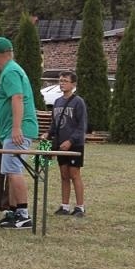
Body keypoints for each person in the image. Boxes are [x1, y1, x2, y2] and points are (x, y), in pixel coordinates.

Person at [0, 36, 39, 229]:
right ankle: (12, 211)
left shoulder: (10, 71)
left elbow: (17, 98)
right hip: (11, 130)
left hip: (17, 130)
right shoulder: (12, 70)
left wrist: (16, 127)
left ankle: (23, 214)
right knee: (10, 170)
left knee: (14, 170)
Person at [50, 69, 88, 217]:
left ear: (73, 84)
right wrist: (48, 134)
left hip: (75, 144)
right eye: (60, 81)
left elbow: (82, 126)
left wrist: (71, 140)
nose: (62, 84)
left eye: (65, 81)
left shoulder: (78, 102)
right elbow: (54, 124)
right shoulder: (57, 102)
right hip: (60, 144)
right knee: (64, 174)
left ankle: (80, 207)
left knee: (74, 174)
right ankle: (64, 206)